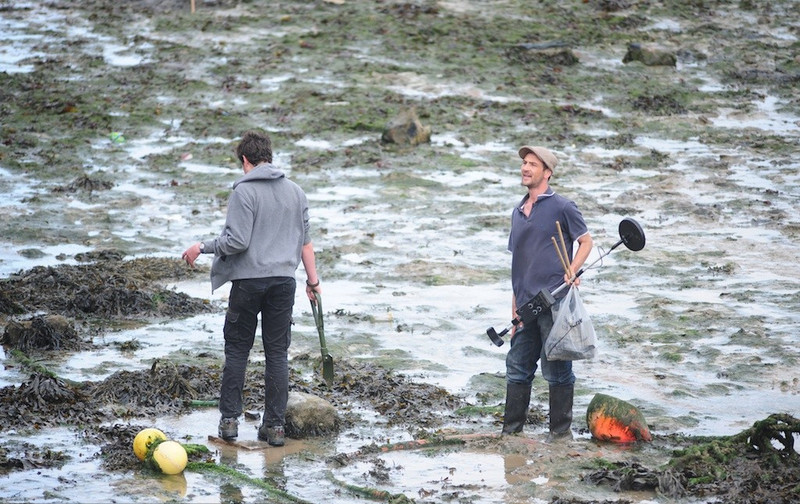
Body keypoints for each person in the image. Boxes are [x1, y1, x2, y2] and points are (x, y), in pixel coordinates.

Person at [181, 130, 321, 447]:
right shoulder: (296, 192)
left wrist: (202, 246)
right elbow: (306, 244)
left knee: (237, 351)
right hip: (284, 283)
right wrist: (313, 283)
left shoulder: (244, 192)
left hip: (248, 283)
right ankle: (274, 427)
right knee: (277, 354)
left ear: (245, 160)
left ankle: (230, 422)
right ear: (268, 156)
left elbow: (237, 241)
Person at [502, 145, 593, 441]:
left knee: (557, 371)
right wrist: (514, 308)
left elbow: (586, 242)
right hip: (525, 305)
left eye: (533, 164)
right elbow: (519, 264)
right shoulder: (518, 212)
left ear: (547, 173)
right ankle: (511, 433)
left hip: (555, 302)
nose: (525, 168)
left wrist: (572, 270)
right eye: (524, 163)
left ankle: (560, 436)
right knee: (517, 367)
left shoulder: (563, 207)